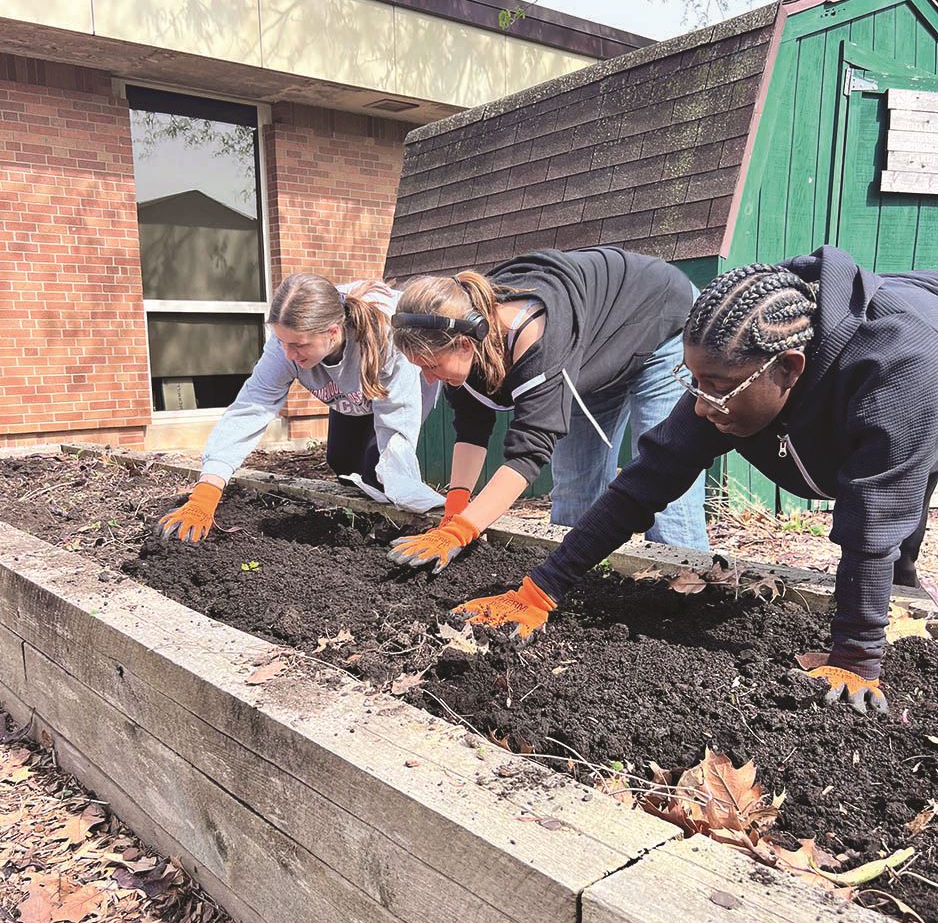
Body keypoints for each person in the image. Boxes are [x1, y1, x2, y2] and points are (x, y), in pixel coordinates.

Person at [451, 246, 938, 713]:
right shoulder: (735, 361)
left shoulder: (897, 370)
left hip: (928, 378)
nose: (703, 405)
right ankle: (895, 598)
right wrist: (539, 590)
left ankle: (891, 618)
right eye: (694, 381)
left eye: (718, 389)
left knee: (892, 523)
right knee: (890, 544)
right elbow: (645, 482)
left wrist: (854, 657)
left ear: (789, 370)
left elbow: (872, 519)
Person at [386, 246, 710, 573]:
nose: (428, 378)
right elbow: (471, 427)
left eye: (430, 365)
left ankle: (686, 592)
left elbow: (529, 453)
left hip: (660, 320)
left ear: (465, 345)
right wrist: (454, 512)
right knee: (573, 500)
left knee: (665, 486)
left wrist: (461, 532)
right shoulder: (467, 334)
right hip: (591, 352)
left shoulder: (536, 335)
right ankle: (577, 588)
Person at [158, 274, 442, 543]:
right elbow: (251, 406)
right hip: (351, 397)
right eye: (281, 342)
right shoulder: (287, 345)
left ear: (333, 332)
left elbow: (396, 424)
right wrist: (208, 489)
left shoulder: (388, 335)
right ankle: (362, 516)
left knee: (380, 474)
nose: (288, 355)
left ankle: (400, 525)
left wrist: (412, 498)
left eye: (298, 345)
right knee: (342, 464)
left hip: (394, 395)